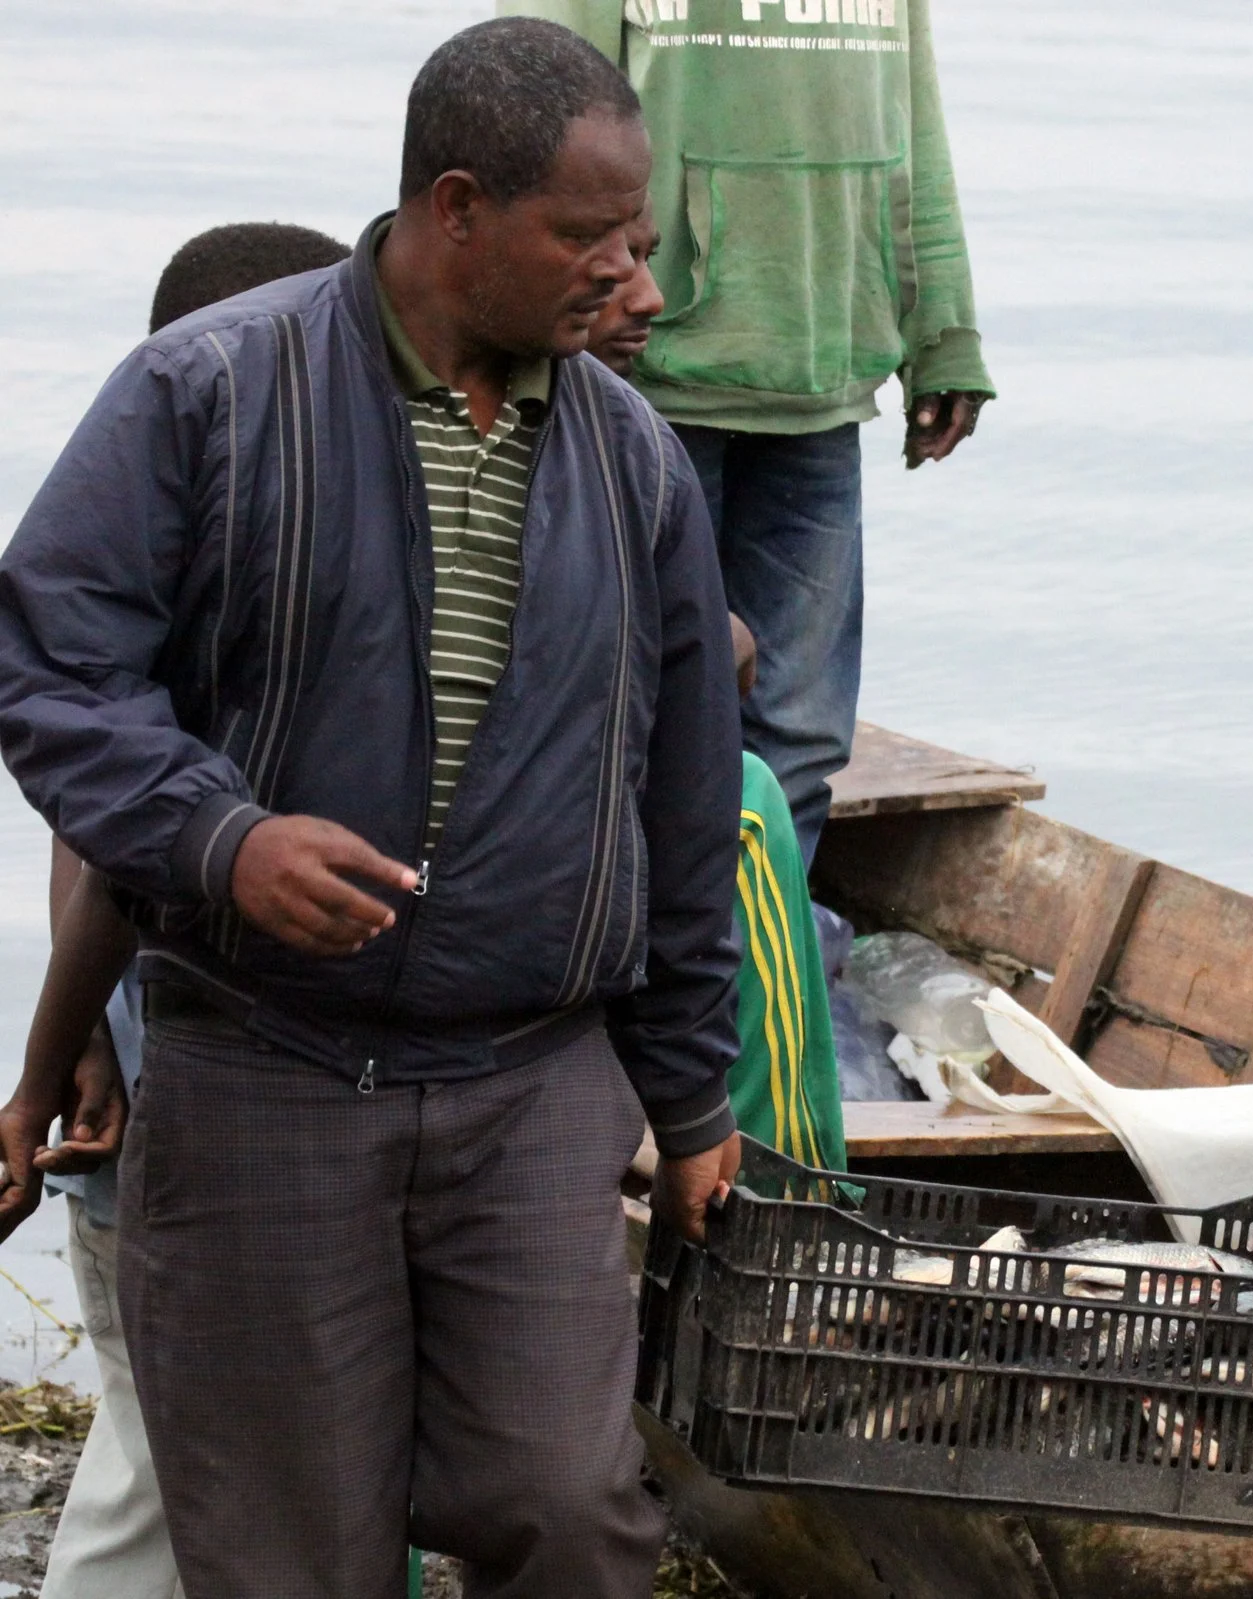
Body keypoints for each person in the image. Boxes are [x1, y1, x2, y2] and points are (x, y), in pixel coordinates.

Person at [0, 20, 745, 1595]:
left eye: (640, 239)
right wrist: (223, 836)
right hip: (263, 1069)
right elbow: (53, 665)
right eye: (590, 237)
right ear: (456, 208)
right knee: (289, 1552)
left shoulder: (637, 463)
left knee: (568, 1507)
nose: (635, 281)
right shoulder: (209, 388)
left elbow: (685, 806)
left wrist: (690, 1102)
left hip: (532, 1077)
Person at [0, 221, 352, 1599]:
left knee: (162, 1441)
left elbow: (79, 802)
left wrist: (71, 1038)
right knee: (159, 1460)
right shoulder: (244, 559)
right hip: (186, 1111)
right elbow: (105, 844)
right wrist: (54, 1058)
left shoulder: (150, 543)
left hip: (147, 1080)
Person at [506, 0, 995, 870]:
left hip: (823, 369)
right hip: (641, 383)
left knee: (800, 732)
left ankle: (762, 945)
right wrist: (575, 299)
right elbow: (537, 106)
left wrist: (943, 332)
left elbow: (915, 120)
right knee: (629, 701)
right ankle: (626, 935)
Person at [584, 222, 845, 1169]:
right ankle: (796, 1190)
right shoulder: (609, 431)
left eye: (646, 257)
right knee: (749, 799)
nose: (648, 296)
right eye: (611, 261)